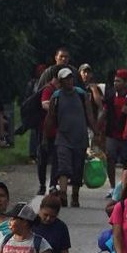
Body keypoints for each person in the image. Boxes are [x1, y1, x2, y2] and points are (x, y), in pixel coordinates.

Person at [44, 66, 97, 208]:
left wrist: (96, 132)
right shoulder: (56, 96)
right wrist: (45, 137)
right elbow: (50, 118)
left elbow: (90, 114)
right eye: (66, 79)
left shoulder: (81, 94)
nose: (69, 81)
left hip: (80, 137)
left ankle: (75, 195)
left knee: (78, 168)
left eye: (71, 78)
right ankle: (63, 194)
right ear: (60, 81)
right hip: (63, 138)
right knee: (63, 167)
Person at [98, 68, 127, 188]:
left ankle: (125, 186)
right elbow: (104, 113)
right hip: (111, 134)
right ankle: (112, 187)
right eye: (115, 81)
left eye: (119, 81)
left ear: (126, 83)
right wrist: (98, 128)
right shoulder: (110, 98)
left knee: (126, 162)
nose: (115, 83)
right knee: (110, 159)